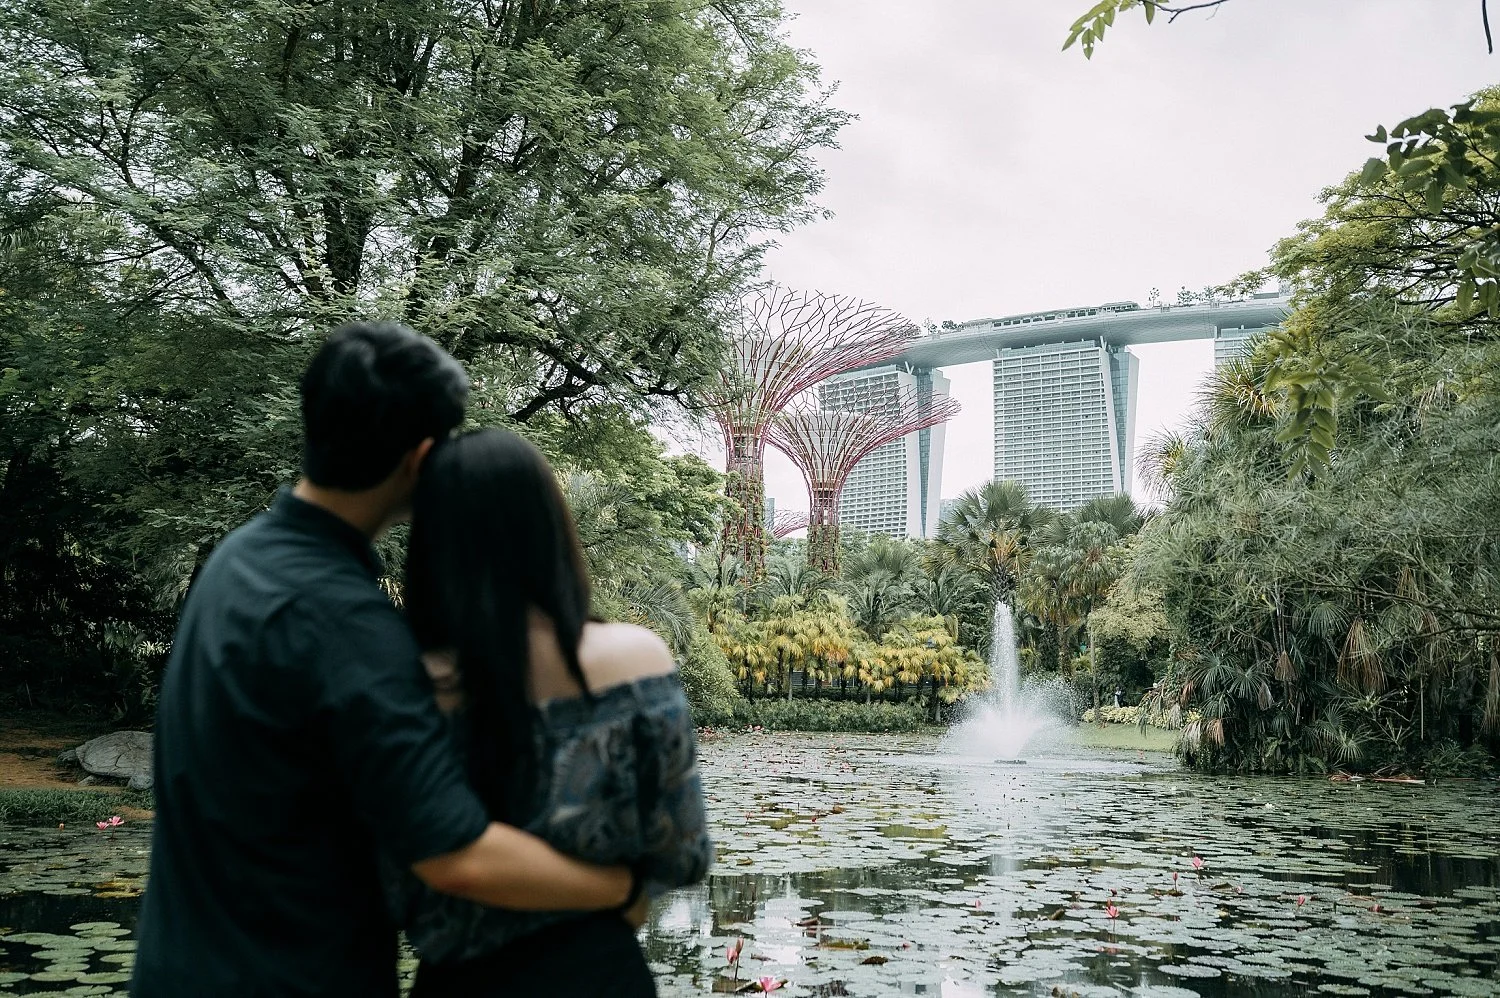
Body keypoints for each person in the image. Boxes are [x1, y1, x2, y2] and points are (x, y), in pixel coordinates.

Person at [131, 323, 639, 997]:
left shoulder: (242, 560)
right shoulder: (342, 621)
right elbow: (454, 855)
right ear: (421, 459)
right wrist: (621, 884)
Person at [388, 428, 713, 998]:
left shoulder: (401, 686)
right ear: (549, 526)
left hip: (458, 983)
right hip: (597, 971)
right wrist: (615, 888)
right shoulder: (636, 660)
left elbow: (391, 881)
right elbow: (684, 856)